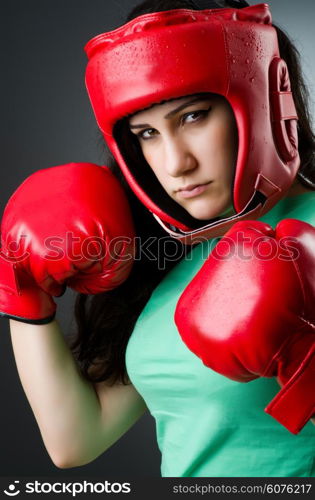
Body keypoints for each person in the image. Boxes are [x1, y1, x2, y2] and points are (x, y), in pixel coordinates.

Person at [1, 0, 314, 478]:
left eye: (192, 117)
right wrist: (19, 285)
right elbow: (76, 439)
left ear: (265, 99)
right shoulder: (169, 252)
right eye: (146, 133)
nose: (174, 164)